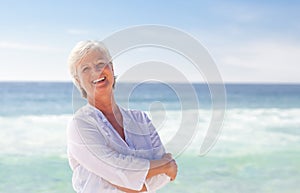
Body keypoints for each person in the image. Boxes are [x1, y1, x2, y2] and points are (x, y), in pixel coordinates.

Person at [67, 40, 178, 193]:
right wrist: (164, 165)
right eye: (85, 68)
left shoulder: (141, 120)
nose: (96, 71)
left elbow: (163, 177)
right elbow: (115, 170)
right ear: (78, 80)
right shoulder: (80, 125)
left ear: (111, 68)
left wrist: (124, 178)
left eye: (100, 64)